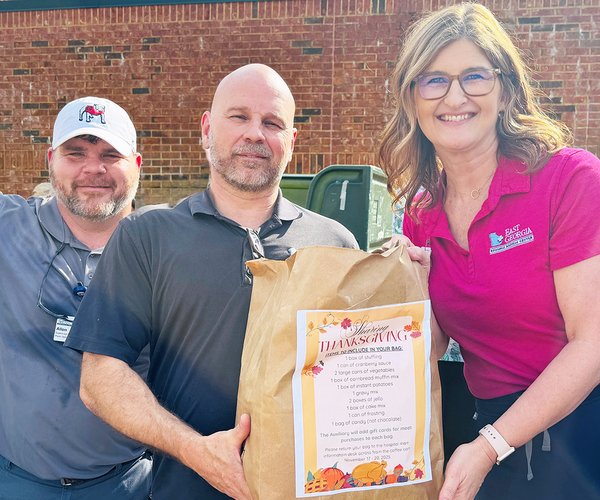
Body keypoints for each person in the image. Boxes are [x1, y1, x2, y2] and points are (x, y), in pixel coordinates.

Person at [65, 64, 358, 499]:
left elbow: (366, 369)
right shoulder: (148, 237)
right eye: (239, 117)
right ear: (207, 128)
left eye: (272, 123)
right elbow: (100, 376)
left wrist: (411, 285)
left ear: (291, 142)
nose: (255, 133)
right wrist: (195, 450)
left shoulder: (335, 243)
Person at [379, 3, 600, 500]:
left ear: (504, 92)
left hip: (581, 430)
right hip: (491, 432)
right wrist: (404, 285)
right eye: (433, 80)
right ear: (413, 100)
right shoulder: (422, 209)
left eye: (474, 76)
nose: (455, 96)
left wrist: (488, 446)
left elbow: (592, 344)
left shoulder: (569, 180)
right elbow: (432, 346)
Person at [0, 97, 151, 499]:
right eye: (76, 153)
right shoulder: (8, 226)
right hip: (16, 481)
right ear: (51, 160)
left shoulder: (164, 249)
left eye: (109, 154)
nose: (93, 168)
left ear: (136, 165)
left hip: (128, 484)